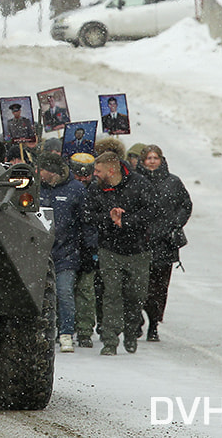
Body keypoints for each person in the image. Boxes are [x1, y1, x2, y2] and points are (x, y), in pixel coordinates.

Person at [85, 151, 155, 356]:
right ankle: (110, 339)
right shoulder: (96, 189)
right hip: (109, 248)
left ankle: (131, 331)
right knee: (111, 293)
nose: (94, 174)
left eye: (98, 170)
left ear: (111, 170)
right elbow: (87, 214)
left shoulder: (139, 184)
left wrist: (127, 221)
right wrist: (109, 218)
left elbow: (152, 211)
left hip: (138, 250)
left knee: (136, 295)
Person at [137, 145, 191, 342]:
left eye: (155, 158)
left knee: (159, 288)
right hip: (140, 242)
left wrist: (175, 224)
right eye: (148, 158)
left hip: (165, 244)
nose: (152, 161)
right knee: (139, 286)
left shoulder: (173, 182)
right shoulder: (136, 181)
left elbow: (186, 205)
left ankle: (154, 323)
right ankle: (137, 319)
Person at [37, 151, 88, 353]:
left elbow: (86, 221)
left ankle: (66, 332)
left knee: (65, 293)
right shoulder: (34, 187)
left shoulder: (76, 189)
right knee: (40, 296)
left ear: (51, 171)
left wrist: (86, 250)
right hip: (39, 253)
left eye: (41, 169)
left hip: (66, 252)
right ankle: (42, 331)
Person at [68, 152, 100, 348]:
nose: (82, 179)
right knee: (65, 291)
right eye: (78, 174)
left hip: (89, 247)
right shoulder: (66, 189)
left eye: (85, 175)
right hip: (68, 247)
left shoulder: (96, 191)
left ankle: (85, 331)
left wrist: (91, 247)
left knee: (87, 292)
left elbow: (95, 222)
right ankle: (64, 328)